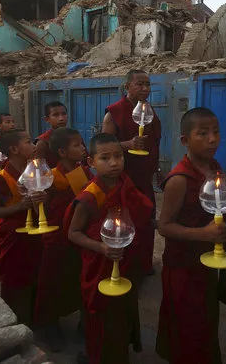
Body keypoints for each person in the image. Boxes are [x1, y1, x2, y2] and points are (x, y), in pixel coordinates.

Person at [66, 133, 153, 364]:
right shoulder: (89, 197)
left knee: (122, 311)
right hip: (99, 266)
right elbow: (73, 233)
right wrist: (101, 248)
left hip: (125, 259)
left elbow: (141, 212)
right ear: (91, 162)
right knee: (102, 316)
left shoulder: (125, 183)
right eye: (105, 158)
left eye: (118, 156)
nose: (115, 162)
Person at [156, 108, 226, 364]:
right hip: (182, 265)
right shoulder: (179, 179)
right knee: (187, 324)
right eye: (203, 133)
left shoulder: (214, 168)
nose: (213, 139)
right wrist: (204, 233)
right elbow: (164, 226)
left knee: (206, 320)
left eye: (216, 132)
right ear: (184, 141)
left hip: (208, 262)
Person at [34, 127, 91, 352]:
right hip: (56, 237)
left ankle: (83, 322)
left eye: (82, 144)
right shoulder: (51, 176)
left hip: (79, 235)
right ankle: (48, 325)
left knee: (78, 278)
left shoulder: (84, 171)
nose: (83, 148)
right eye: (77, 145)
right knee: (51, 282)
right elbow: (45, 208)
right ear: (62, 152)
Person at [102, 69, 162, 276]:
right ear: (127, 86)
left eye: (148, 84)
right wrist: (127, 144)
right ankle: (125, 269)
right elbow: (104, 147)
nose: (145, 89)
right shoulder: (114, 112)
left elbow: (154, 142)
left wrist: (158, 169)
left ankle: (144, 265)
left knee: (146, 222)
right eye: (140, 84)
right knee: (127, 224)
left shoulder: (147, 111)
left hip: (145, 179)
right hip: (123, 180)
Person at [0, 130, 44, 326]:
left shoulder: (36, 170)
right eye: (28, 142)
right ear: (14, 149)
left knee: (37, 276)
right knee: (16, 280)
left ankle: (37, 317)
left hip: (37, 232)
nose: (34, 144)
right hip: (14, 235)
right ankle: (17, 319)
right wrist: (19, 207)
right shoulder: (0, 178)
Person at [35, 102, 68, 168]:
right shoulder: (43, 143)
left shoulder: (74, 136)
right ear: (47, 119)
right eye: (56, 115)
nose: (61, 118)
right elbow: (39, 170)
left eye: (64, 114)